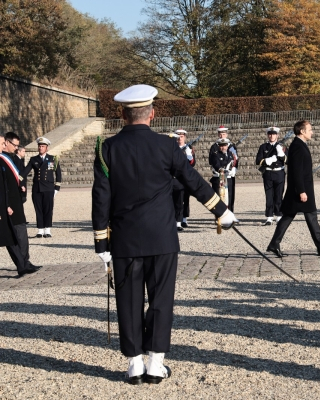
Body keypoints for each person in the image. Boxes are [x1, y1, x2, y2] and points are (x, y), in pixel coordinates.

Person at [92, 84, 236, 385]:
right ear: (152, 114)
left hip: (125, 240)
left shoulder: (107, 148)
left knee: (128, 300)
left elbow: (101, 197)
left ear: (122, 115)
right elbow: (193, 181)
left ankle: (134, 364)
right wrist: (221, 210)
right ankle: (156, 363)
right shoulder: (167, 146)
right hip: (161, 237)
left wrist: (101, 243)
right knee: (161, 300)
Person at [267, 120, 320, 258]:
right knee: (301, 215)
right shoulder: (298, 147)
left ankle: (275, 244)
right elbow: (296, 171)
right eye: (309, 129)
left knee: (297, 216)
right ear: (302, 131)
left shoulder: (299, 145)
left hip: (302, 189)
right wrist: (301, 191)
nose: (311, 132)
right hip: (300, 190)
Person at [0, 133, 41, 277]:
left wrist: (21, 187)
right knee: (14, 233)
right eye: (14, 145)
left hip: (15, 201)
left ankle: (25, 262)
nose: (16, 148)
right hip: (9, 203)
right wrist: (6, 205)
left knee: (21, 232)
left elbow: (17, 176)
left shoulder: (10, 158)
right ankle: (22, 264)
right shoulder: (2, 159)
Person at [22, 137, 61, 238]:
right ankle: (40, 229)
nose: (40, 148)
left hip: (48, 188)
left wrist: (56, 188)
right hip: (37, 188)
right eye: (39, 146)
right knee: (38, 209)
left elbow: (58, 173)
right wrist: (19, 180)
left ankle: (47, 229)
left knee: (48, 209)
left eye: (43, 146)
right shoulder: (33, 159)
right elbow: (25, 172)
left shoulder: (52, 158)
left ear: (47, 148)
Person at [256, 126, 287, 225]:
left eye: (273, 134)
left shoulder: (283, 146)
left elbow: (288, 160)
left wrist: (281, 154)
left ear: (277, 135)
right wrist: (267, 160)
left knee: (279, 195)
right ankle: (269, 217)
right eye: (270, 134)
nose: (271, 136)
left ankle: (278, 215)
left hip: (279, 173)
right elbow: (258, 160)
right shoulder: (263, 147)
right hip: (268, 173)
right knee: (269, 195)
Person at [169, 129, 196, 231]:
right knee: (172, 200)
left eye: (182, 136)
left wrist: (190, 156)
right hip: (173, 178)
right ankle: (174, 220)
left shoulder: (188, 148)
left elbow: (192, 164)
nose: (180, 138)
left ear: (185, 137)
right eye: (178, 136)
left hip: (183, 178)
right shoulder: (172, 148)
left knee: (184, 200)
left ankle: (181, 220)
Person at [208, 126, 238, 212]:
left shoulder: (232, 146)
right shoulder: (214, 147)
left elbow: (236, 159)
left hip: (229, 175)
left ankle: (230, 213)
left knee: (230, 196)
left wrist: (234, 169)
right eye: (220, 134)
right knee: (219, 196)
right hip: (219, 175)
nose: (222, 136)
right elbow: (212, 161)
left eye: (224, 134)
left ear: (226, 134)